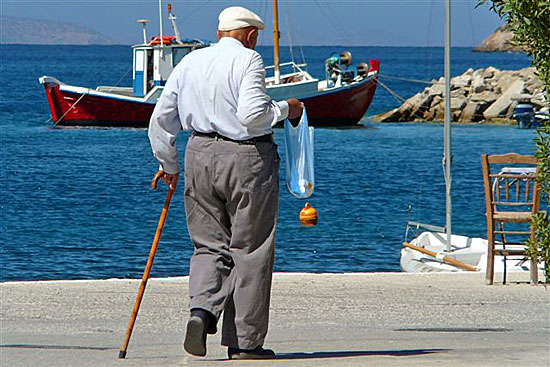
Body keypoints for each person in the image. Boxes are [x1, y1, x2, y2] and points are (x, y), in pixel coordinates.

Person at [148, 6, 303, 360]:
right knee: (250, 249)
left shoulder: (189, 62)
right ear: (250, 35)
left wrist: (168, 165)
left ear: (220, 32)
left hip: (198, 153)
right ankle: (245, 343)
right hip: (246, 157)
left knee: (208, 245)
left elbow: (161, 121)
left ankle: (201, 312)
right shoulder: (250, 60)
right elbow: (252, 116)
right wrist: (286, 109)